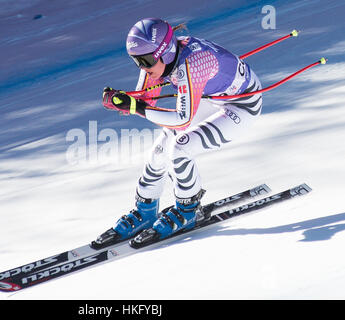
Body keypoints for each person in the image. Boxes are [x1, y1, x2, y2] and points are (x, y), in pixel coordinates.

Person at [93, 17, 262, 247]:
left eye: (145, 60)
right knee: (158, 153)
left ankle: (188, 209)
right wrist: (122, 100)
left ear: (165, 52)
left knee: (181, 148)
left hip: (242, 105)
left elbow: (181, 119)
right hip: (211, 98)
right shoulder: (160, 59)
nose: (143, 67)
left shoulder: (193, 63)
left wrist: (136, 107)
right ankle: (146, 210)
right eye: (136, 61)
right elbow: (146, 99)